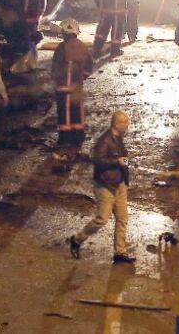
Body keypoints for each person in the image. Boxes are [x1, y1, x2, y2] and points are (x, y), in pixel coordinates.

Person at [68, 110, 134, 264]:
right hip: (105, 186)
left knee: (122, 219)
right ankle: (77, 240)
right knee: (102, 219)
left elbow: (123, 159)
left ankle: (120, 252)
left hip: (119, 184)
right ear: (116, 124)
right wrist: (117, 162)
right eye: (124, 122)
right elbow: (97, 161)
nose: (127, 124)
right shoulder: (104, 141)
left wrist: (126, 181)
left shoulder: (118, 137)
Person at [52, 19, 94, 149]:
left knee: (64, 113)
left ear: (64, 33)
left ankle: (65, 139)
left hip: (62, 88)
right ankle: (78, 137)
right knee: (76, 112)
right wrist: (82, 77)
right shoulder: (82, 46)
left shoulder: (61, 48)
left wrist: (54, 80)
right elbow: (89, 65)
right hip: (76, 88)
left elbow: (55, 67)